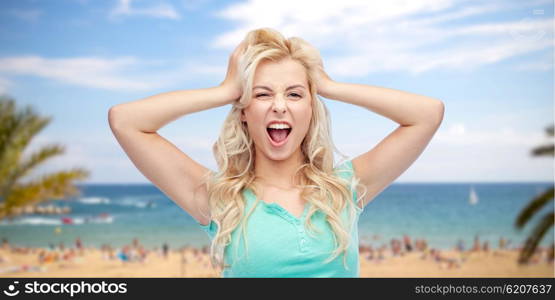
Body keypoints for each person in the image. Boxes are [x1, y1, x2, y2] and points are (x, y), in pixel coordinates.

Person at [108, 27, 444, 278]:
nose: (280, 106)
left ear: (311, 109)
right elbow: (125, 121)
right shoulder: (220, 199)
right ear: (243, 110)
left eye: (295, 95)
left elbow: (427, 114)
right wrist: (225, 90)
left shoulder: (344, 188)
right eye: (263, 94)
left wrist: (328, 86)